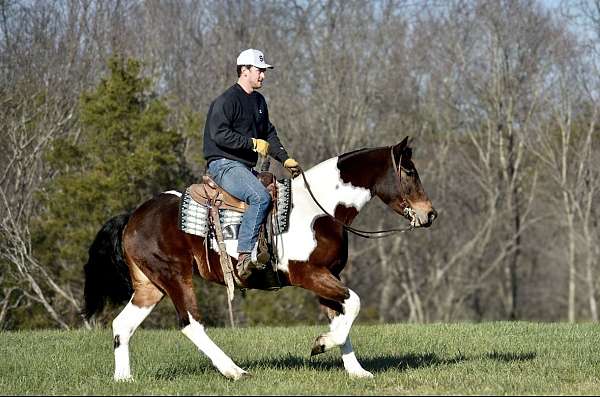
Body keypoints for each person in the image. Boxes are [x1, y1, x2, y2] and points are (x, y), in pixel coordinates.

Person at [203, 48, 300, 280]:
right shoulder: (227, 100)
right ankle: (244, 256)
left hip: (244, 167)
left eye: (264, 71)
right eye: (259, 70)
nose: (263, 75)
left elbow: (268, 133)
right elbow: (219, 134)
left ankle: (270, 253)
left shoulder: (258, 101)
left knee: (281, 193)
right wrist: (251, 144)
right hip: (223, 164)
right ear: (244, 71)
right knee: (260, 197)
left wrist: (284, 158)